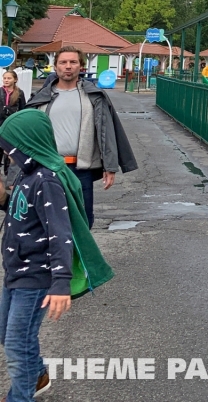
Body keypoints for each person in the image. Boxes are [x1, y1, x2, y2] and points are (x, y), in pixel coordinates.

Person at [0, 109, 114, 401]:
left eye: (10, 148)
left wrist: (60, 282)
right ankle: (37, 375)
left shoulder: (47, 180)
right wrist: (3, 196)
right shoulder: (28, 177)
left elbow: (60, 234)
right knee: (9, 336)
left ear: (27, 145)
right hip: (15, 272)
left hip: (36, 275)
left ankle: (20, 396)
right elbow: (23, 213)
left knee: (17, 343)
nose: (7, 154)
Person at [27, 47, 138, 228]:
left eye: (73, 62)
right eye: (63, 62)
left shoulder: (94, 96)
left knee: (83, 221)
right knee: (46, 220)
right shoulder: (42, 97)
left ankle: (79, 257)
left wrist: (110, 166)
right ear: (55, 66)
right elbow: (26, 135)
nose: (68, 66)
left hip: (81, 169)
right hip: (47, 167)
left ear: (81, 66)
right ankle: (55, 256)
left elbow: (107, 131)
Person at [0, 72, 26, 176]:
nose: (6, 80)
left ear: (15, 80)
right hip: (0, 123)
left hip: (12, 126)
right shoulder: (0, 91)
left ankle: (8, 174)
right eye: (4, 78)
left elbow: (23, 109)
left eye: (9, 78)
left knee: (9, 151)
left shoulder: (19, 93)